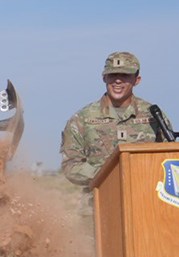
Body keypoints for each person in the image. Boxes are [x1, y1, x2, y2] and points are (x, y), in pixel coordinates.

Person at [60, 52, 165, 187]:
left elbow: (169, 158)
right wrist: (106, 174)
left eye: (125, 75)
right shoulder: (82, 119)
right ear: (104, 77)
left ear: (136, 80)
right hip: (98, 199)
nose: (118, 80)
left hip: (145, 195)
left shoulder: (153, 116)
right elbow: (70, 165)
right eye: (113, 75)